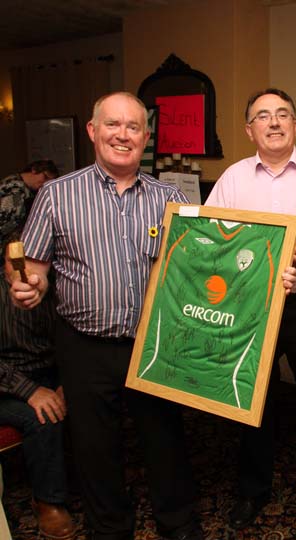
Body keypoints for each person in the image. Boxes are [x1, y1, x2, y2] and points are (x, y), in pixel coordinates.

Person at [9, 92, 203, 540]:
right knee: (95, 448)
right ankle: (110, 528)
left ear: (146, 137)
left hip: (153, 341)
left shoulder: (169, 197)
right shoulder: (56, 195)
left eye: (133, 127)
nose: (123, 134)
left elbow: (193, 268)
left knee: (165, 440)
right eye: (112, 125)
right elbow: (32, 270)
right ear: (93, 132)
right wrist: (27, 286)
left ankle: (178, 523)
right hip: (84, 346)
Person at [205, 88, 296, 539]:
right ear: (250, 130)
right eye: (263, 116)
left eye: (283, 114)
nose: (274, 122)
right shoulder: (232, 179)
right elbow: (215, 245)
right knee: (251, 401)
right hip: (252, 307)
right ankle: (252, 489)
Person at [1, 230, 75, 540]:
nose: (27, 268)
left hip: (50, 374)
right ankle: (48, 501)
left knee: (93, 398)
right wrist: (30, 391)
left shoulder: (57, 288)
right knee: (42, 417)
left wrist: (67, 383)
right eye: (19, 260)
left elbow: (72, 341)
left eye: (38, 260)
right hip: (6, 385)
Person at [0, 159, 59, 252]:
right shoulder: (15, 189)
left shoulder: (23, 188)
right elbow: (7, 223)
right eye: (45, 177)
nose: (45, 183)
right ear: (34, 170)